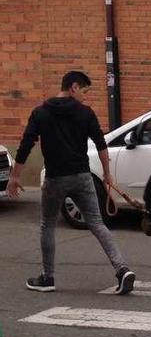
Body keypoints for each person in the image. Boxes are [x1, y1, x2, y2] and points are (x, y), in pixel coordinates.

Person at [7, 71, 136, 294]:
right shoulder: (85, 113)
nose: (85, 98)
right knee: (97, 223)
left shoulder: (41, 113)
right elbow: (101, 145)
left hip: (55, 179)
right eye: (84, 92)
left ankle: (48, 278)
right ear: (74, 87)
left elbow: (26, 145)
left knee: (47, 225)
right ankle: (122, 269)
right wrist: (107, 174)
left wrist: (15, 176)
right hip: (82, 177)